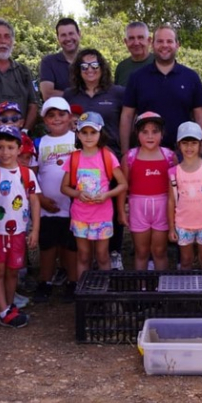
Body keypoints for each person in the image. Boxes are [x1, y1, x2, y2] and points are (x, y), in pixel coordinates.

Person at [63, 49, 128, 269]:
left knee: (110, 207)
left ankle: (113, 253)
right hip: (81, 160)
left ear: (102, 67)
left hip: (110, 158)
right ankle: (83, 268)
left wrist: (125, 151)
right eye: (84, 66)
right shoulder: (70, 95)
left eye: (94, 65)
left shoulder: (117, 92)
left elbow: (126, 122)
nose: (90, 70)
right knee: (83, 207)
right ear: (77, 70)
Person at [120, 25, 202, 151]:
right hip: (146, 154)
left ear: (177, 45)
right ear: (152, 44)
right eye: (160, 41)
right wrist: (124, 153)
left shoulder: (191, 77)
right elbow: (127, 116)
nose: (164, 45)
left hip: (184, 154)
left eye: (169, 41)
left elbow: (200, 116)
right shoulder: (137, 77)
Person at [61, 112, 127, 275]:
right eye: (84, 132)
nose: (88, 137)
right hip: (80, 215)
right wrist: (77, 194)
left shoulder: (108, 156)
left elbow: (123, 184)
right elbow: (64, 188)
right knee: (83, 256)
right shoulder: (74, 158)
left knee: (102, 256)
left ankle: (105, 291)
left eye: (93, 132)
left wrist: (107, 195)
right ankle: (84, 292)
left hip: (102, 215)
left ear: (100, 133)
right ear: (78, 134)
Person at [0, 125, 40, 328]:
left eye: (10, 147)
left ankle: (8, 306)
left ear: (19, 149)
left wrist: (34, 229)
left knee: (12, 271)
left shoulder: (26, 174)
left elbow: (34, 202)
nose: (5, 152)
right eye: (0, 147)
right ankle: (2, 310)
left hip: (18, 232)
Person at [32, 97, 78, 302]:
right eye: (51, 115)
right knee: (48, 246)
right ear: (44, 120)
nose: (57, 119)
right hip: (46, 206)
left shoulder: (78, 139)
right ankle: (45, 282)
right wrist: (40, 198)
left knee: (71, 245)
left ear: (70, 117)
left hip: (74, 205)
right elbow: (31, 174)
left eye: (61, 114)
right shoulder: (38, 143)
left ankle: (73, 281)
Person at [121, 112, 175, 270]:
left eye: (155, 131)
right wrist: (121, 211)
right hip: (138, 207)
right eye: (144, 132)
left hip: (163, 206)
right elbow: (123, 187)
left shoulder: (170, 157)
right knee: (141, 251)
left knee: (160, 251)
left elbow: (176, 186)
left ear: (162, 134)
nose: (150, 136)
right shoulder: (130, 157)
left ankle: (162, 288)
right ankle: (141, 288)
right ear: (137, 134)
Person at [168, 122, 202, 269]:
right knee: (186, 260)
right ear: (179, 144)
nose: (189, 147)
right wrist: (172, 227)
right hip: (183, 225)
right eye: (185, 143)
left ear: (200, 144)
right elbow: (171, 201)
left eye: (193, 143)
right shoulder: (173, 172)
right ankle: (187, 290)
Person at [39, 17, 82, 99]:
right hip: (60, 111)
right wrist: (81, 97)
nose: (68, 38)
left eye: (71, 33)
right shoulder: (49, 62)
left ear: (79, 34)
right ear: (58, 38)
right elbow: (47, 95)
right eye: (63, 35)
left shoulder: (90, 61)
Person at [114, 21, 154, 87]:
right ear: (126, 42)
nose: (136, 43)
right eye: (131, 38)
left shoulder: (162, 64)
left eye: (140, 37)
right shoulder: (121, 68)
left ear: (149, 40)